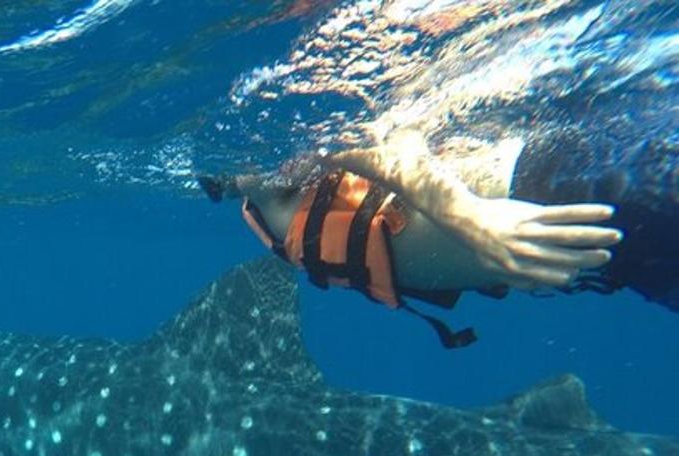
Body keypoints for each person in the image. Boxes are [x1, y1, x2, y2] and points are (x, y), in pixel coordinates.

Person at [201, 129, 676, 347]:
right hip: (592, 252)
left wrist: (473, 221)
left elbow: (390, 146)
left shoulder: (261, 152)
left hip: (562, 181)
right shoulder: (261, 208)